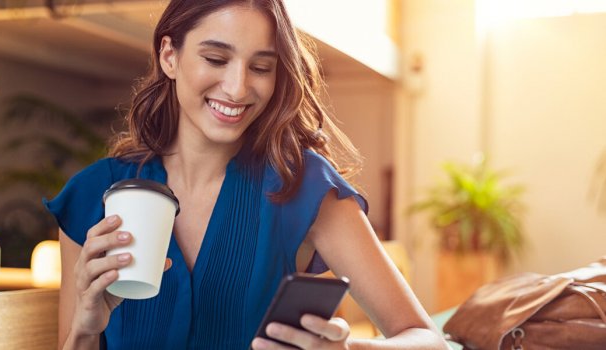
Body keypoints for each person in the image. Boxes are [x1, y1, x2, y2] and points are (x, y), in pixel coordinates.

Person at [45, 0, 448, 349]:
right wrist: (84, 329)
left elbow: (428, 340)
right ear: (169, 56)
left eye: (260, 66)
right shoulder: (93, 194)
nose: (238, 88)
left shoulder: (303, 187)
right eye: (216, 59)